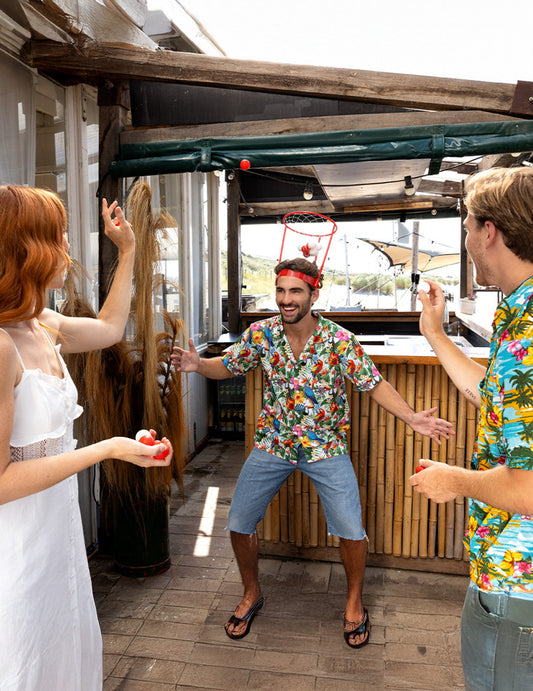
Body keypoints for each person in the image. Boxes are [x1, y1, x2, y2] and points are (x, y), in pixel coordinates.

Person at [172, 256, 453, 648]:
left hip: (326, 446)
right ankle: (251, 593)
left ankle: (354, 602)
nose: (286, 299)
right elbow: (229, 365)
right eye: (281, 291)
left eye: (295, 291)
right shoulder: (262, 334)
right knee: (238, 521)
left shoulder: (339, 340)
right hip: (273, 443)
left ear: (313, 295)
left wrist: (411, 418)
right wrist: (199, 365)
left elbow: (373, 383)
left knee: (351, 529)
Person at [0, 185, 173, 691]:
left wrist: (129, 251)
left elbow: (111, 328)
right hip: (16, 547)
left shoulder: (42, 323)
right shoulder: (2, 346)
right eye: (58, 236)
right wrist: (110, 448)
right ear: (26, 249)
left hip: (57, 535)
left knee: (65, 651)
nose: (68, 248)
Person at [410, 166, 533, 690]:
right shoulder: (521, 311)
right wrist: (436, 335)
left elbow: (529, 488)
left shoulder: (529, 328)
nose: (464, 242)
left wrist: (453, 480)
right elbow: (499, 397)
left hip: (518, 585)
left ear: (490, 232)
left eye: (466, 227)